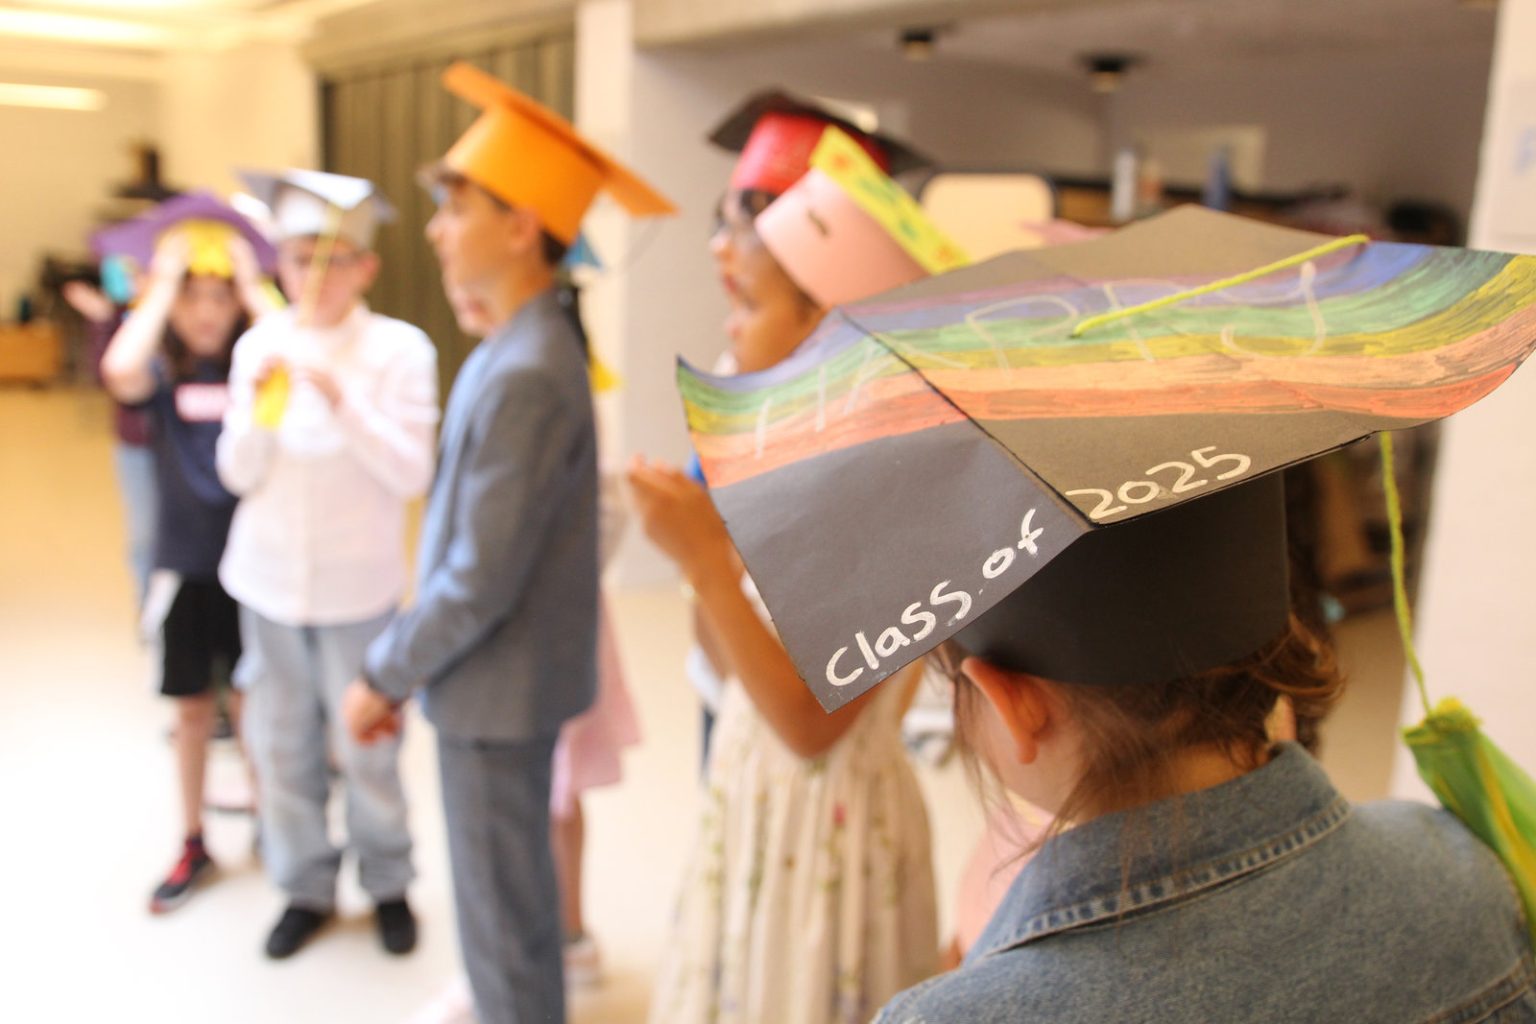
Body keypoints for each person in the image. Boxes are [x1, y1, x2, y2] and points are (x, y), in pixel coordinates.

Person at [342, 62, 673, 1024]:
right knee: (507, 896)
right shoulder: (525, 344)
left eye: (456, 208)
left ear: (522, 225)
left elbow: (479, 578)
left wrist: (385, 671)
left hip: (496, 688)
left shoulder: (528, 369)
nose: (438, 230)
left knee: (502, 910)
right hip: (504, 680)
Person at [632, 127, 960, 1024]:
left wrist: (705, 564)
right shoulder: (785, 462)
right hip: (753, 790)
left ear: (823, 325)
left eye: (745, 302)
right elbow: (729, 657)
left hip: (831, 827)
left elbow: (815, 725)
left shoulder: (890, 494)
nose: (725, 330)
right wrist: (710, 546)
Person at [216, 169, 438, 960]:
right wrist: (262, 412)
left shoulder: (399, 350)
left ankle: (388, 882)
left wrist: (345, 402)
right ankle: (304, 885)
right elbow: (238, 473)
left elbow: (413, 474)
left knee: (369, 747)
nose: (312, 276)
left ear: (366, 269)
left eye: (332, 259)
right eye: (298, 256)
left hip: (359, 588)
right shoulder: (258, 344)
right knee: (281, 746)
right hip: (268, 584)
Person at [688, 90, 931, 766]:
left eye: (740, 227)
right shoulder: (734, 369)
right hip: (736, 689)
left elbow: (837, 712)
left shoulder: (875, 456)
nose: (720, 250)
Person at [98, 192, 279, 913]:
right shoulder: (165, 377)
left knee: (254, 705)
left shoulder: (256, 370)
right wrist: (164, 282)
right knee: (193, 712)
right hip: (184, 571)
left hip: (252, 573)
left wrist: (251, 284)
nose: (207, 314)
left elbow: (293, 343)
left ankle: (272, 826)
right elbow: (120, 367)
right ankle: (193, 836)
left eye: (219, 299)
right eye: (192, 300)